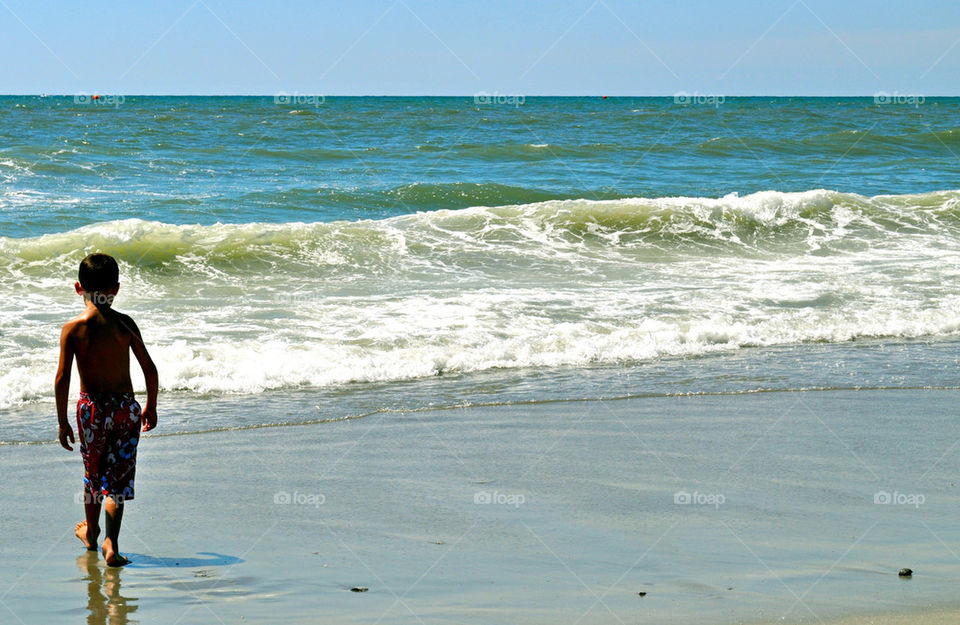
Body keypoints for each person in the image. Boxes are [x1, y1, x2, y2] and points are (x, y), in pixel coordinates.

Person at [55, 253, 159, 567]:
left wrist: (62, 422)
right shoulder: (125, 324)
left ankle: (92, 531)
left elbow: (62, 378)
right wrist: (151, 405)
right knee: (118, 479)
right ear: (115, 289)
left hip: (91, 411)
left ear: (77, 288)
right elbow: (150, 370)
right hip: (125, 409)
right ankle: (111, 542)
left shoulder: (73, 329)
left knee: (93, 475)